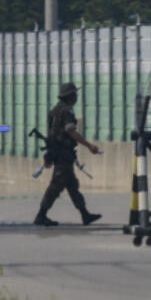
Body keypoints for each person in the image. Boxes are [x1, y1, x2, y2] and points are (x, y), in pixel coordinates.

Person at [34, 82, 103, 226]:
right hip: (63, 155)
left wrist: (49, 155)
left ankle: (85, 215)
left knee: (72, 186)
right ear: (70, 96)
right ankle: (41, 215)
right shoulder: (67, 111)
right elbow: (70, 131)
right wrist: (89, 145)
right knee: (55, 187)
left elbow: (51, 134)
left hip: (58, 152)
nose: (76, 96)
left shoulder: (54, 111)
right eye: (75, 94)